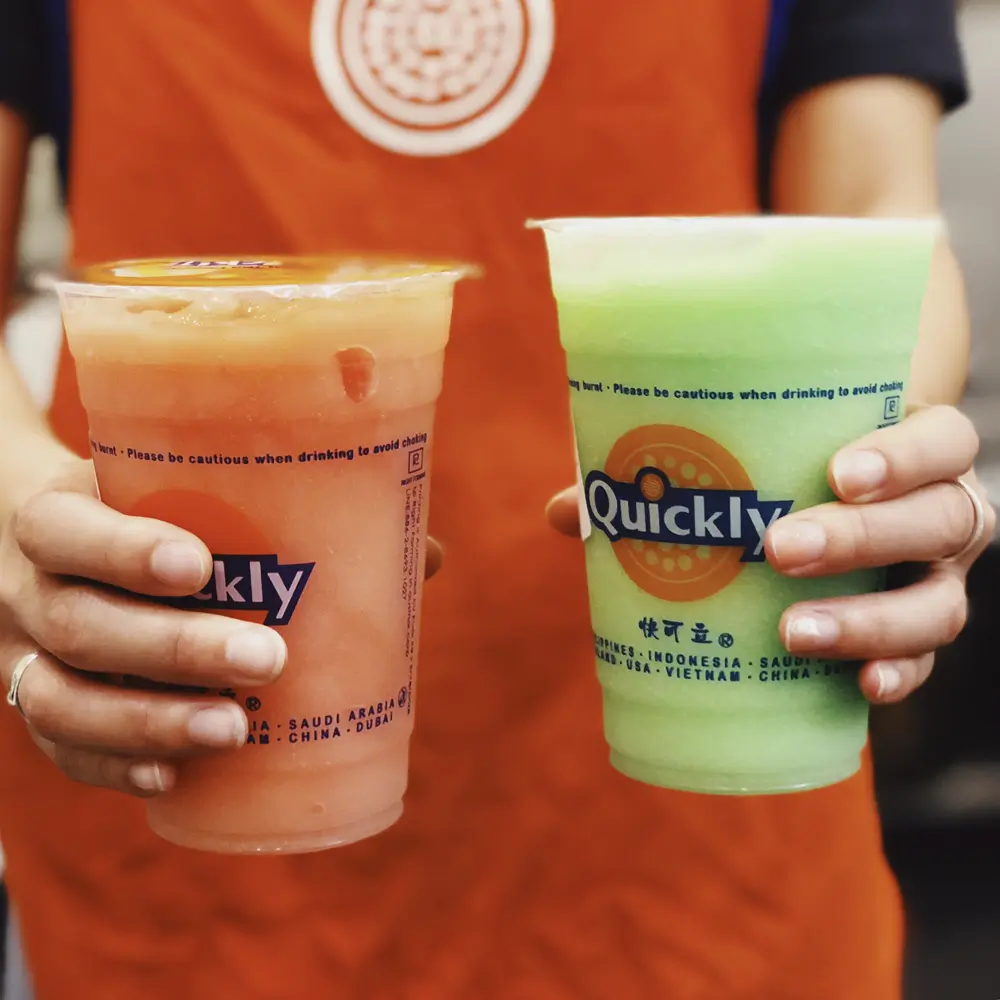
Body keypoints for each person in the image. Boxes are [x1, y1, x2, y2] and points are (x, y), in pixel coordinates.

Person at [0, 0, 993, 998]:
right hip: (176, 775)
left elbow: (876, 221)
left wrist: (878, 474)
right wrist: (19, 510)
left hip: (711, 823)